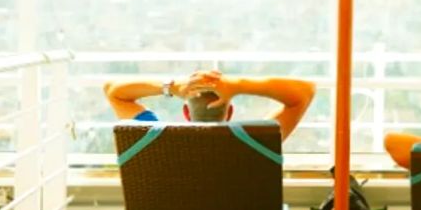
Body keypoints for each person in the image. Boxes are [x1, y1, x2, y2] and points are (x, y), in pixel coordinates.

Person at [104, 70, 316, 141]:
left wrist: (171, 87)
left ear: (186, 112)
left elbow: (114, 91)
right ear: (229, 112)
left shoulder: (152, 139)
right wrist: (237, 85)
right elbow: (305, 91)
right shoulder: (260, 140)